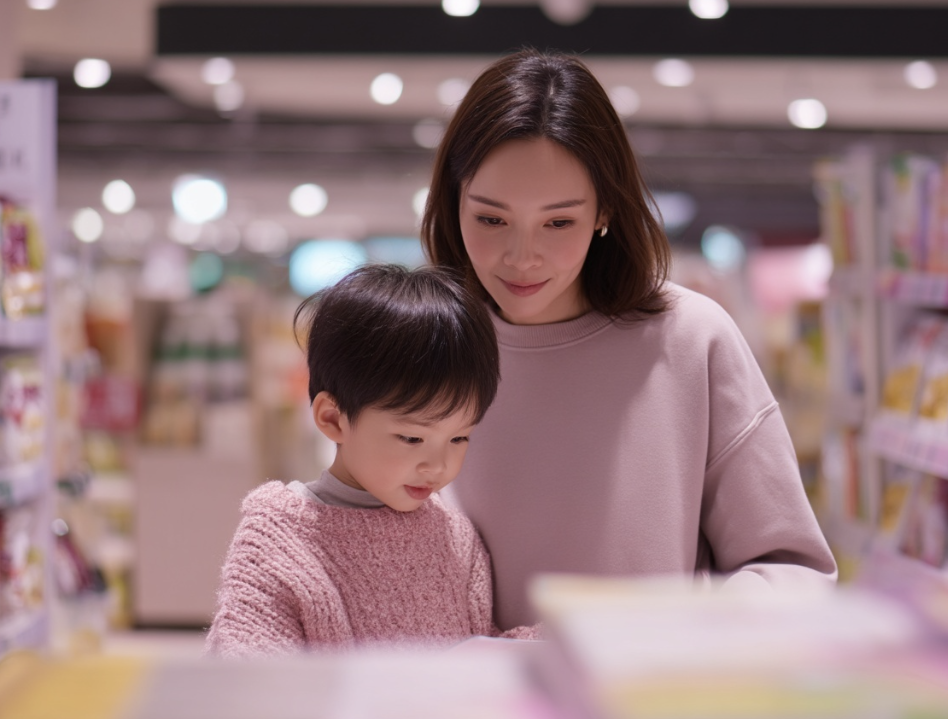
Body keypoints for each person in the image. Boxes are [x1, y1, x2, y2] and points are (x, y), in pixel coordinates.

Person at [421, 48, 838, 632]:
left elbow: (791, 571)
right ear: (453, 201)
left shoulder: (690, 341)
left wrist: (663, 639)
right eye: (491, 219)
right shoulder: (420, 349)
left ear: (605, 211)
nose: (521, 256)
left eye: (558, 221)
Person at [205, 264, 538, 658]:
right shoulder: (278, 537)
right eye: (412, 437)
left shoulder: (454, 536)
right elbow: (250, 671)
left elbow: (476, 652)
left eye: (459, 437)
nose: (439, 466)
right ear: (332, 418)